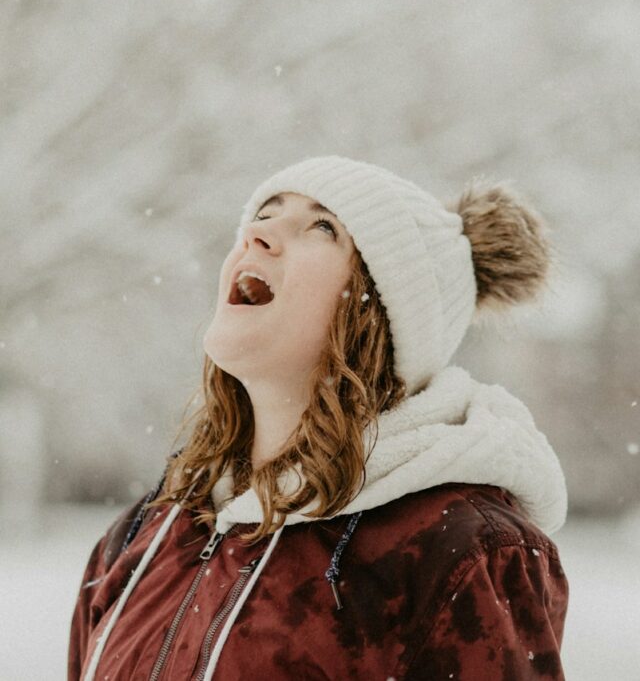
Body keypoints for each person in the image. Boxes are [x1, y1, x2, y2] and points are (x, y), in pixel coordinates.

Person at [69, 155, 569, 681]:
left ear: (379, 313)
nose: (259, 232)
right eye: (264, 212)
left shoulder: (460, 553)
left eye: (322, 226)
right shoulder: (143, 534)